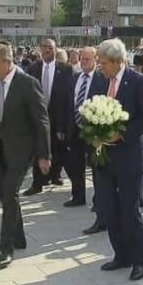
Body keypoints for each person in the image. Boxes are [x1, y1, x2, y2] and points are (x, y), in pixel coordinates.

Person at [91, 38, 143, 281]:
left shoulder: (139, 82)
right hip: (105, 158)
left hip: (129, 158)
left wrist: (122, 133)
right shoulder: (100, 81)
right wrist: (93, 135)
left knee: (130, 211)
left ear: (119, 62)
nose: (101, 67)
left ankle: (138, 260)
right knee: (109, 209)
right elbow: (90, 111)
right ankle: (121, 255)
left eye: (104, 63)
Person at [0, 42, 50, 269]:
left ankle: (6, 247)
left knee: (9, 192)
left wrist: (44, 155)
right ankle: (18, 237)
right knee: (7, 194)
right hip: (3, 150)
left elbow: (42, 121)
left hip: (23, 150)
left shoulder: (27, 84)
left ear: (7, 62)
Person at [24, 39, 73, 196]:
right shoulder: (33, 68)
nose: (46, 50)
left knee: (57, 149)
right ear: (40, 49)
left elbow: (68, 98)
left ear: (55, 50)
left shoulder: (65, 70)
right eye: (44, 47)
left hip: (57, 117)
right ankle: (37, 183)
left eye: (50, 48)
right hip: (38, 118)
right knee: (40, 149)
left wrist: (65, 124)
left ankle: (54, 175)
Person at [64, 47, 105, 210]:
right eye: (82, 59)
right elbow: (68, 103)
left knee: (96, 167)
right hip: (75, 128)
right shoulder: (75, 77)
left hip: (93, 130)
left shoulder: (101, 79)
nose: (83, 62)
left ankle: (98, 200)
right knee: (75, 165)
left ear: (95, 59)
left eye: (87, 59)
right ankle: (78, 196)